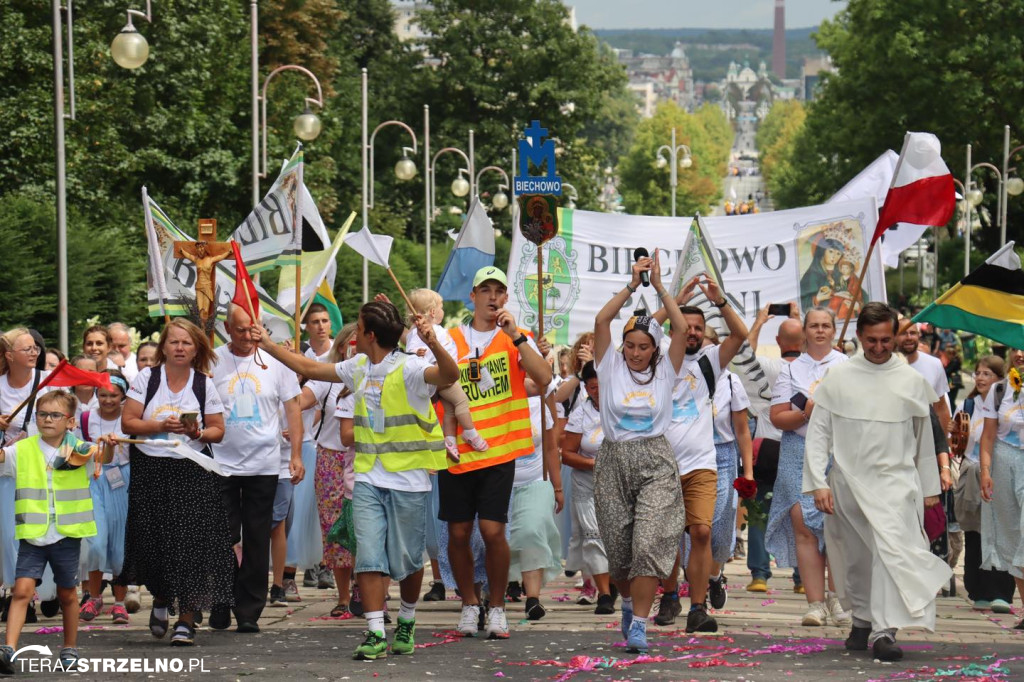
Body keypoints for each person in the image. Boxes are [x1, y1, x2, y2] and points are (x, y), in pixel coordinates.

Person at [250, 300, 458, 660]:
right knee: (368, 555)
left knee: (408, 562)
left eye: (359, 328)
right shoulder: (357, 366)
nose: (353, 333)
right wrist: (266, 345)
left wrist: (434, 342)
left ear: (371, 335)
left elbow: (449, 376)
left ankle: (406, 620)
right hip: (366, 479)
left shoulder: (410, 367)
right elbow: (308, 366)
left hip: (408, 480)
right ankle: (376, 631)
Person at [805, 302, 951, 662]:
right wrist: (817, 483)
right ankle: (862, 619)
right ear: (858, 337)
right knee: (855, 558)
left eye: (886, 340)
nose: (879, 347)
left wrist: (930, 489)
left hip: (897, 484)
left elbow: (923, 440)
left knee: (891, 555)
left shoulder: (911, 381)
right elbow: (819, 431)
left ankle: (885, 631)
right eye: (872, 340)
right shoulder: (838, 377)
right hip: (849, 483)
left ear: (895, 337)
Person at [443, 266, 552, 640]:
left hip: (500, 449)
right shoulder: (452, 338)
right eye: (484, 289)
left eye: (498, 291)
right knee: (457, 533)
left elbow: (544, 378)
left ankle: (499, 608)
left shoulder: (517, 337)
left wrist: (517, 337)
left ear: (506, 298)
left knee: (492, 531)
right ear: (471, 296)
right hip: (458, 452)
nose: (492, 297)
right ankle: (470, 604)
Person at [592, 249, 688, 654]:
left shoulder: (667, 368)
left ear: (654, 348)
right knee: (620, 550)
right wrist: (633, 285)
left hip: (655, 461)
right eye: (629, 345)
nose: (634, 352)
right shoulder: (608, 366)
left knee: (648, 543)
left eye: (642, 346)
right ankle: (628, 604)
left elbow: (681, 329)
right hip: (613, 461)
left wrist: (662, 288)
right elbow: (601, 321)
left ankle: (641, 626)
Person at [119, 318, 232, 647]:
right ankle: (162, 599)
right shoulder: (147, 378)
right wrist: (157, 425)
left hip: (192, 470)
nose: (180, 348)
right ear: (163, 347)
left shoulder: (203, 384)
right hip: (151, 470)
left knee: (192, 545)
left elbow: (218, 430)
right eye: (174, 342)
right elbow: (129, 422)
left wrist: (196, 432)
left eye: (186, 343)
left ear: (197, 348)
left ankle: (186, 619)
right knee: (153, 543)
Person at [650, 274, 749, 632]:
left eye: (698, 328)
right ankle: (670, 595)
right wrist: (671, 299)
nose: (691, 332)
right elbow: (638, 329)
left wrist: (719, 300)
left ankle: (697, 606)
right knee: (666, 536)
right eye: (685, 325)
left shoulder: (710, 363)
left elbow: (740, 335)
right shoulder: (657, 358)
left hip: (701, 465)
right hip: (660, 465)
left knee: (702, 532)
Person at [0, 390, 113, 672]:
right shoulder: (21, 449)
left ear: (71, 421)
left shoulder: (81, 449)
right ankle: (8, 649)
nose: (47, 419)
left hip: (67, 534)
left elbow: (105, 458)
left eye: (55, 415)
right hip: (33, 534)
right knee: (21, 591)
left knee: (67, 595)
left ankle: (69, 648)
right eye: (42, 414)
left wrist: (108, 445)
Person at [209, 305, 304, 634]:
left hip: (264, 464)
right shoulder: (213, 360)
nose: (248, 337)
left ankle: (248, 609)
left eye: (254, 329)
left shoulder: (276, 360)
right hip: (221, 463)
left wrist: (295, 454)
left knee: (256, 538)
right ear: (226, 328)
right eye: (240, 331)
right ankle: (220, 599)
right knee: (221, 536)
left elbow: (293, 407)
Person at [766, 307, 850, 627]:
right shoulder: (790, 370)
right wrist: (807, 412)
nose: (819, 331)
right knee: (803, 525)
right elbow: (778, 417)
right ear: (804, 332)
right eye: (813, 326)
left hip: (837, 451)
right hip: (797, 450)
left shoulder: (846, 366)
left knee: (835, 525)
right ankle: (814, 603)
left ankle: (837, 598)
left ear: (833, 330)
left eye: (825, 325)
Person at [298, 322, 358, 617]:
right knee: (336, 530)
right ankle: (344, 597)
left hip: (369, 459)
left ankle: (371, 593)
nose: (356, 347)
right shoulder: (330, 376)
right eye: (351, 342)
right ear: (342, 346)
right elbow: (298, 402)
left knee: (369, 527)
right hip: (331, 460)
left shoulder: (379, 374)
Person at [743, 307, 804, 593]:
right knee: (801, 512)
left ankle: (759, 573)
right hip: (801, 448)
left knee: (759, 512)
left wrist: (759, 322)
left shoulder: (769, 367)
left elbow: (744, 355)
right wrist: (800, 319)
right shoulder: (813, 372)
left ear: (779, 342)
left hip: (767, 447)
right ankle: (803, 578)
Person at [954, 356, 1015, 613]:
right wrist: (954, 434)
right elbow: (957, 444)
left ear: (1000, 379)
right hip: (972, 474)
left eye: (987, 374)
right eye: (978, 372)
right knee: (975, 532)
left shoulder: (1008, 406)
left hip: (1000, 474)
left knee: (1000, 532)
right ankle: (977, 589)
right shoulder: (968, 405)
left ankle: (1001, 591)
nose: (979, 378)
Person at [77, 370, 133, 625]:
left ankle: (119, 603)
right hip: (96, 479)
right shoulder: (87, 418)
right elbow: (78, 449)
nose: (108, 400)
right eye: (102, 394)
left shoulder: (131, 419)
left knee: (120, 548)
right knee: (97, 543)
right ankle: (94, 596)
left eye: (114, 395)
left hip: (124, 481)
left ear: (123, 396)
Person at [979, 347, 1024, 628]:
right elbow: (987, 437)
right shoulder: (999, 389)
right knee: (1011, 536)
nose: (1020, 354)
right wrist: (985, 472)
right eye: (1015, 348)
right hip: (1004, 460)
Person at [896, 320, 952, 434]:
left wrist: (945, 446)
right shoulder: (886, 364)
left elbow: (941, 408)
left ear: (919, 335)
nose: (909, 337)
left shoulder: (934, 364)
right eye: (903, 333)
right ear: (893, 336)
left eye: (912, 333)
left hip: (926, 437)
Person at [799, 236, 843, 311]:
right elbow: (801, 302)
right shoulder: (812, 274)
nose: (834, 256)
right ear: (823, 251)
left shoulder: (840, 274)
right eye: (831, 251)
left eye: (838, 253)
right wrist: (817, 299)